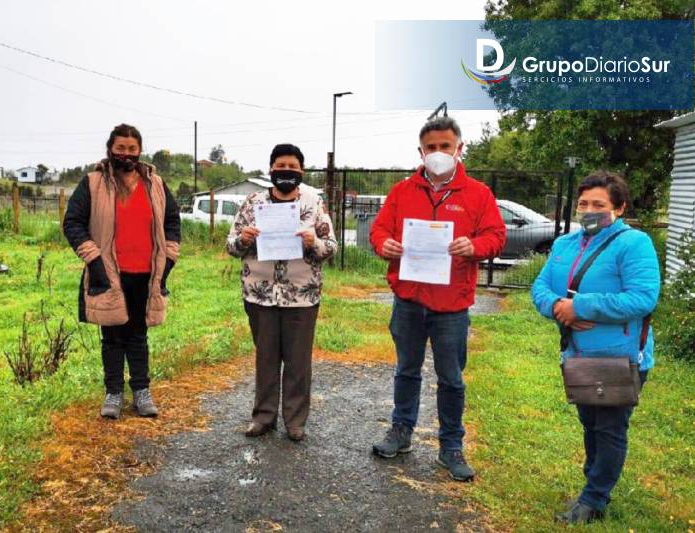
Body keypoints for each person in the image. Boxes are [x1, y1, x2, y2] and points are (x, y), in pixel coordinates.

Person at [368, 116, 506, 481]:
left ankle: (450, 446)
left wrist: (473, 246)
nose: (438, 153)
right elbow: (380, 229)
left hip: (451, 306)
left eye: (446, 146)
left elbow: (496, 235)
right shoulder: (402, 191)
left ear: (459, 149)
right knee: (406, 370)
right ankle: (401, 431)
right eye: (431, 147)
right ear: (420, 151)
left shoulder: (478, 194)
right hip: (409, 300)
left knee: (451, 378)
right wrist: (384, 244)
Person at [531, 171, 660, 524]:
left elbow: (643, 298)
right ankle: (594, 484)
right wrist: (559, 307)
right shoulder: (564, 245)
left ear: (618, 208)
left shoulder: (634, 244)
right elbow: (539, 288)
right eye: (584, 203)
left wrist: (581, 306)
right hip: (577, 354)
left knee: (609, 427)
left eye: (599, 204)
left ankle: (594, 500)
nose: (589, 210)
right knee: (590, 423)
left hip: (619, 356)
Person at [63, 123, 180, 420]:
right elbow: (73, 223)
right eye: (120, 148)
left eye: (132, 148)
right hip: (109, 272)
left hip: (145, 273)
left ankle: (141, 391)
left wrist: (168, 258)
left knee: (138, 336)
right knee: (112, 336)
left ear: (139, 151)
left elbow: (172, 221)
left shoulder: (155, 184)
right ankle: (113, 393)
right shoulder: (93, 183)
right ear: (110, 149)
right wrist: (94, 259)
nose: (126, 154)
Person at [226, 143, 337, 442]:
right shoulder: (252, 203)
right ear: (271, 169)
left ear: (301, 171)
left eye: (292, 167)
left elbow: (331, 248)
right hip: (259, 294)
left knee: (298, 362)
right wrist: (244, 239)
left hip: (301, 295)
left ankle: (295, 421)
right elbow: (231, 245)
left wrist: (313, 241)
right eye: (281, 167)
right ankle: (263, 417)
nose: (286, 172)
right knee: (266, 358)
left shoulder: (314, 203)